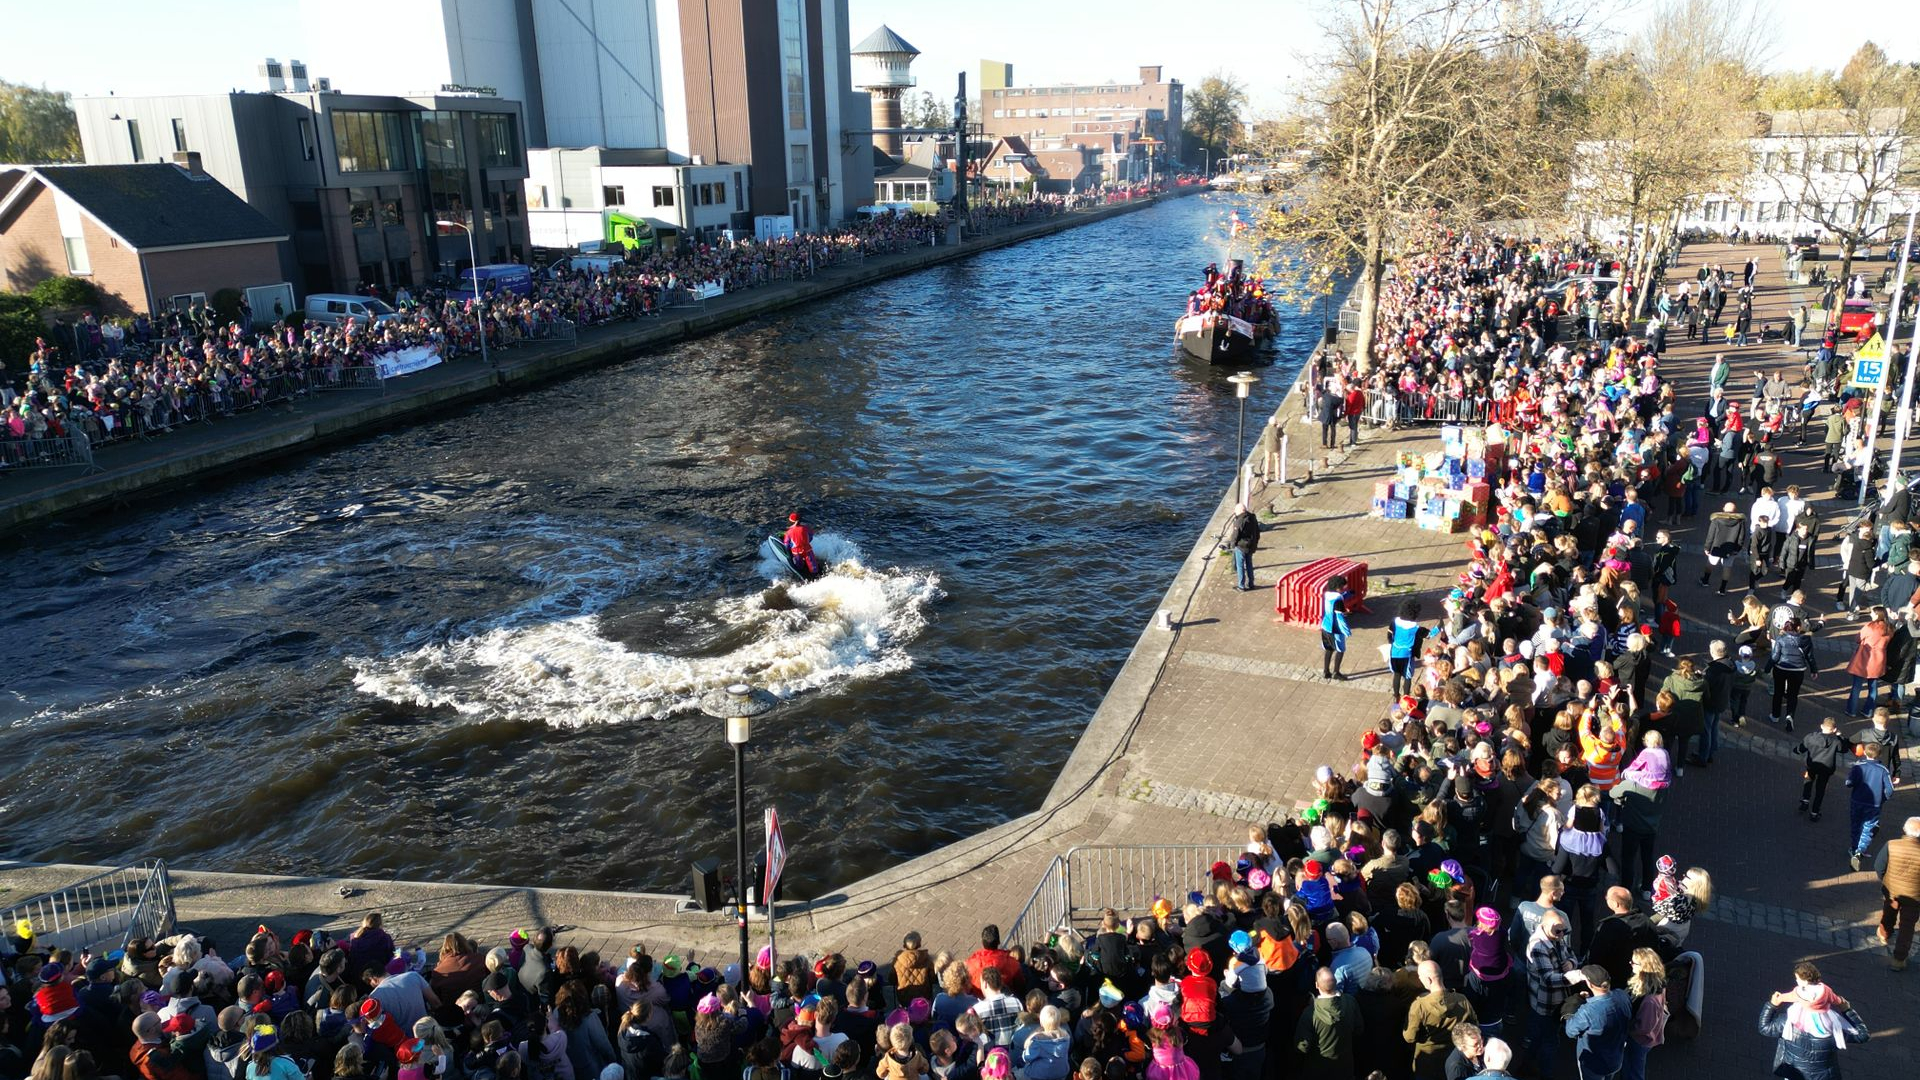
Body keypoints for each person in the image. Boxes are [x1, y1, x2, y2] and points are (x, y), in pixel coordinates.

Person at [1757, 963, 1868, 1080]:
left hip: (1794, 1074)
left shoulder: (1788, 1022)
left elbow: (1764, 1028)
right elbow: (1863, 1035)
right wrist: (1847, 1010)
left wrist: (1772, 1005)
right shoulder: (1835, 1029)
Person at [1403, 960, 1473, 1080]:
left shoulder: (1419, 1006)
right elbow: (1472, 1027)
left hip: (1427, 1062)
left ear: (1428, 980)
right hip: (1453, 1058)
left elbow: (1409, 1037)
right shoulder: (1462, 1000)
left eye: (1420, 977)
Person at [1562, 966, 1630, 1080]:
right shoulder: (1622, 995)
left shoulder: (1587, 1011)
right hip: (1615, 1060)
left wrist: (1574, 1004)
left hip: (1593, 1064)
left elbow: (1570, 1031)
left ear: (1590, 985)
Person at [1292, 969, 1360, 1080]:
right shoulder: (1350, 1001)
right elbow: (1359, 1029)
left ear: (1316, 985)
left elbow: (1302, 1047)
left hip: (1318, 1068)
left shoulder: (1310, 1013)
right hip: (1345, 1066)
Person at [1875, 816, 1920, 970]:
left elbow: (1879, 866)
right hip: (1915, 897)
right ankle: (1899, 960)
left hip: (1892, 891)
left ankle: (1884, 934)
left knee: (1888, 912)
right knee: (1907, 926)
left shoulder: (1891, 845)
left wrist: (1885, 881)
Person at [1846, 742, 1896, 871]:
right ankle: (1860, 850)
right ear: (1879, 754)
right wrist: (1882, 799)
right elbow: (1890, 790)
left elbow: (1849, 783)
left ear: (1864, 752)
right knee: (1868, 827)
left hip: (1857, 801)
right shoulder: (1883, 770)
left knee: (1856, 825)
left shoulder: (1858, 766)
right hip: (1874, 804)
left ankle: (1853, 848)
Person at [1621, 950, 1666, 1080]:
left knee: (1634, 1070)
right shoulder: (1657, 981)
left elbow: (1643, 1028)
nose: (1630, 963)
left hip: (1639, 1040)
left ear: (1644, 967)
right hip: (1644, 1037)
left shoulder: (1650, 1001)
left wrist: (1627, 1029)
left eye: (1634, 963)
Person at [1796, 718, 1849, 822]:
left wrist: (1796, 750)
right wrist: (1839, 735)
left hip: (1812, 766)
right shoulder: (1835, 742)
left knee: (1808, 781)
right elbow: (1845, 749)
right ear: (1834, 729)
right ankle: (1814, 812)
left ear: (1821, 726)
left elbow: (1801, 748)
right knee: (1820, 789)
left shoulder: (1811, 737)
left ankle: (1805, 800)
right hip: (1826, 769)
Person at [1847, 609, 1893, 717]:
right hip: (1879, 659)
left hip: (1864, 659)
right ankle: (1868, 711)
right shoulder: (1889, 628)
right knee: (1873, 686)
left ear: (1877, 615)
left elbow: (1858, 638)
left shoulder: (1870, 626)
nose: (1870, 613)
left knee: (1856, 686)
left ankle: (1851, 710)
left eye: (1872, 612)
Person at [1321, 576, 1351, 681]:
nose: (1343, 589)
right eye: (1342, 588)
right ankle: (1336, 672)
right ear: (1337, 587)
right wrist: (1346, 630)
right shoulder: (1338, 599)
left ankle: (1326, 671)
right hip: (1335, 629)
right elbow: (1340, 616)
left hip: (1325, 626)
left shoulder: (1327, 595)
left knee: (1328, 649)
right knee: (1340, 649)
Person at [1225, 504, 1260, 592]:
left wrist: (1233, 544)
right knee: (1249, 565)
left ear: (1239, 511)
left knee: (1240, 566)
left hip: (1241, 546)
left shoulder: (1239, 520)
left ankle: (1241, 586)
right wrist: (1255, 543)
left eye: (1236, 512)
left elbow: (1235, 535)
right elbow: (1257, 531)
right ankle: (1251, 584)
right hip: (1251, 545)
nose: (1235, 513)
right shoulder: (1252, 517)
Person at [783, 512, 820, 577]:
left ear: (791, 522)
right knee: (813, 565)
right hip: (807, 550)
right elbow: (810, 537)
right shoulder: (806, 528)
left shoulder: (789, 532)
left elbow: (786, 545)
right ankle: (815, 574)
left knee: (799, 565)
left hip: (796, 552)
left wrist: (789, 554)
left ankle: (801, 573)